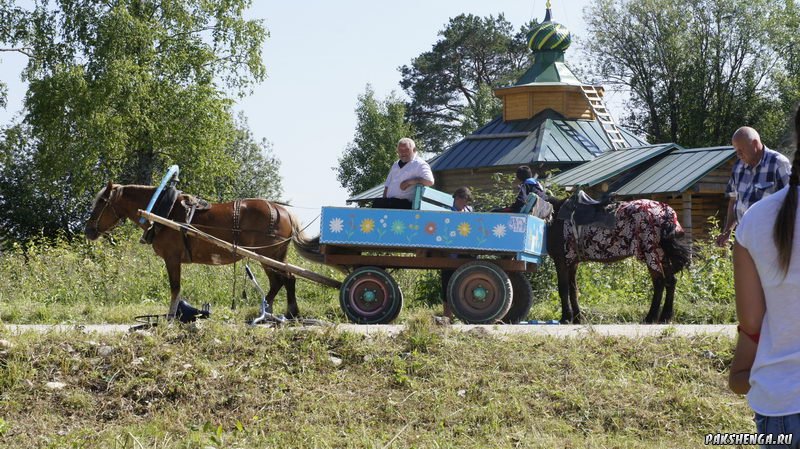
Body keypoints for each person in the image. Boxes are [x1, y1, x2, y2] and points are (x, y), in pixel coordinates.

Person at [729, 107, 800, 445]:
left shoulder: (755, 222)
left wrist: (741, 373)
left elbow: (752, 325)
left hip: (782, 403)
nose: (739, 156)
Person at [716, 126, 791, 247]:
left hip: (771, 239)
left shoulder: (778, 163)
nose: (738, 154)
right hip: (745, 238)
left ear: (755, 144)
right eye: (736, 150)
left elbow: (792, 202)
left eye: (741, 149)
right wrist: (727, 231)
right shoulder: (738, 167)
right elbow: (733, 201)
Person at [372, 137, 434, 209]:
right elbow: (387, 186)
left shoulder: (420, 164)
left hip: (404, 204)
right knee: (377, 203)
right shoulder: (395, 164)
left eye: (406, 149)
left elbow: (430, 181)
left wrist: (409, 182)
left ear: (414, 150)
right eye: (400, 150)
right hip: (390, 202)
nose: (403, 152)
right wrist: (384, 200)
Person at [440, 187, 473, 320]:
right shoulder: (448, 211)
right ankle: (447, 314)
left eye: (467, 201)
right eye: (463, 201)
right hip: (451, 251)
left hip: (467, 250)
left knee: (466, 281)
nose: (465, 204)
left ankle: (466, 312)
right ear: (457, 198)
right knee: (447, 280)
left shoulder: (469, 211)